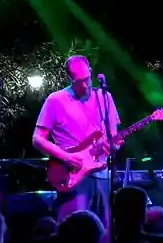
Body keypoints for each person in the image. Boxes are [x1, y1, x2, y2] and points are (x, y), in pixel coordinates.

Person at [32, 55, 120, 223]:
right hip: (73, 175)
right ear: (69, 78)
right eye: (79, 81)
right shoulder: (56, 100)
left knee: (105, 231)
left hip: (102, 174)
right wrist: (67, 157)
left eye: (87, 79)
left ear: (91, 72)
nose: (85, 85)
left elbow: (113, 138)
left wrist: (113, 147)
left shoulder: (105, 97)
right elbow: (38, 139)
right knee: (74, 232)